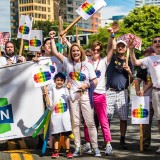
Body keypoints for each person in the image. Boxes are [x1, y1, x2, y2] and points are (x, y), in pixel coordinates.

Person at [49, 31, 101, 157]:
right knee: (75, 123)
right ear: (71, 53)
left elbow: (95, 81)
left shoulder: (87, 64)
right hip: (73, 97)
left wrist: (86, 85)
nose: (75, 52)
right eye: (73, 51)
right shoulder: (67, 62)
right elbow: (55, 52)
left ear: (81, 52)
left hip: (85, 95)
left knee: (90, 123)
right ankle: (77, 147)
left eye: (77, 50)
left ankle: (95, 147)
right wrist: (52, 38)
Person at [82, 30, 115, 155]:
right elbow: (74, 51)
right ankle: (88, 144)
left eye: (98, 50)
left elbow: (112, 48)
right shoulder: (87, 61)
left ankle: (108, 144)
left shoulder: (104, 61)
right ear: (91, 49)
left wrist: (112, 35)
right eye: (94, 50)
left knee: (103, 120)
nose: (96, 52)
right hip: (87, 93)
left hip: (100, 94)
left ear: (100, 51)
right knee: (87, 121)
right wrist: (64, 40)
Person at [129, 36, 160, 154]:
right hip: (156, 92)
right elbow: (135, 62)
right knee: (159, 120)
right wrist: (131, 50)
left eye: (159, 41)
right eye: (155, 42)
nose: (157, 43)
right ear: (153, 45)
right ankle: (147, 144)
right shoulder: (149, 60)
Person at [106, 39, 134, 150]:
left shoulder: (129, 62)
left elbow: (131, 80)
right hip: (110, 91)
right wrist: (112, 35)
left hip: (123, 92)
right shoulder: (111, 58)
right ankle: (107, 140)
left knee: (123, 118)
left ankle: (122, 140)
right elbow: (109, 47)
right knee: (107, 117)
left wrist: (129, 72)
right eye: (119, 46)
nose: (121, 47)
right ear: (116, 47)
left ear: (126, 48)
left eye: (123, 46)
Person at [45, 72, 73, 159]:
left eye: (61, 80)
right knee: (56, 134)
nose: (59, 82)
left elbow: (71, 98)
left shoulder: (65, 89)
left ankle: (68, 151)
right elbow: (49, 105)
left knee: (66, 134)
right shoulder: (51, 90)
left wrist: (70, 89)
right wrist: (46, 96)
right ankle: (56, 151)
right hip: (55, 116)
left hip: (65, 116)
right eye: (57, 80)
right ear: (54, 81)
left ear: (64, 81)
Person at [135, 46, 156, 151]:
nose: (148, 54)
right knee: (145, 122)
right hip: (146, 98)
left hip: (156, 95)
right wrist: (138, 91)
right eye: (146, 53)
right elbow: (137, 80)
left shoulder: (157, 64)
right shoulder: (142, 67)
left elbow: (153, 81)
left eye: (151, 52)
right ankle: (145, 144)